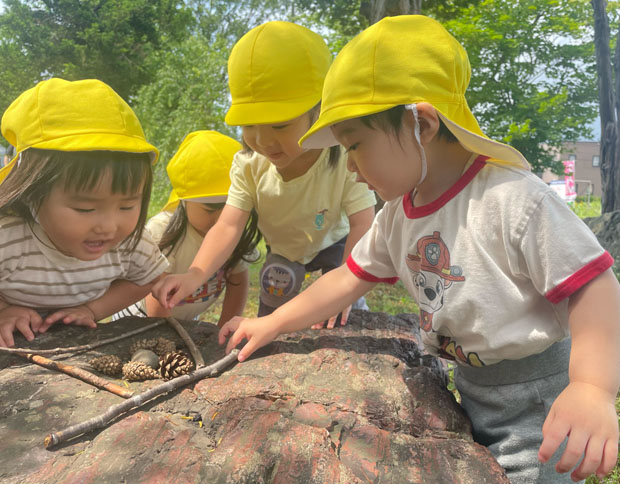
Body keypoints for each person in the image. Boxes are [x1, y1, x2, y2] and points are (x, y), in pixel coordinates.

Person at [218, 16, 620, 484]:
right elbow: (348, 278)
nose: (349, 168)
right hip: (471, 386)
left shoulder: (513, 200)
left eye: (355, 147)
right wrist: (271, 321)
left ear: (423, 124)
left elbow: (594, 285)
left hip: (538, 403)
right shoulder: (399, 214)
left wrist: (593, 388)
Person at [153, 21, 376, 328]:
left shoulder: (343, 157)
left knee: (344, 312)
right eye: (249, 125)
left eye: (280, 125)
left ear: (320, 108)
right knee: (270, 321)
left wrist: (346, 284)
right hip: (283, 251)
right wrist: (196, 274)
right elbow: (229, 225)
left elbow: (363, 223)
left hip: (336, 248)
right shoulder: (248, 163)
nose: (263, 140)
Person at [0, 78, 169, 348]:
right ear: (32, 194)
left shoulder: (129, 242)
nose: (109, 226)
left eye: (127, 206)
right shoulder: (8, 236)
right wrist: (4, 310)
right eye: (85, 208)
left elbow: (149, 278)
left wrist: (93, 309)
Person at [114, 130, 260, 327]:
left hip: (186, 321)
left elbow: (238, 283)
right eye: (210, 209)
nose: (222, 220)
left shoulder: (236, 233)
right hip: (140, 316)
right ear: (184, 201)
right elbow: (157, 295)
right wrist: (165, 344)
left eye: (231, 209)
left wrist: (222, 332)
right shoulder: (163, 231)